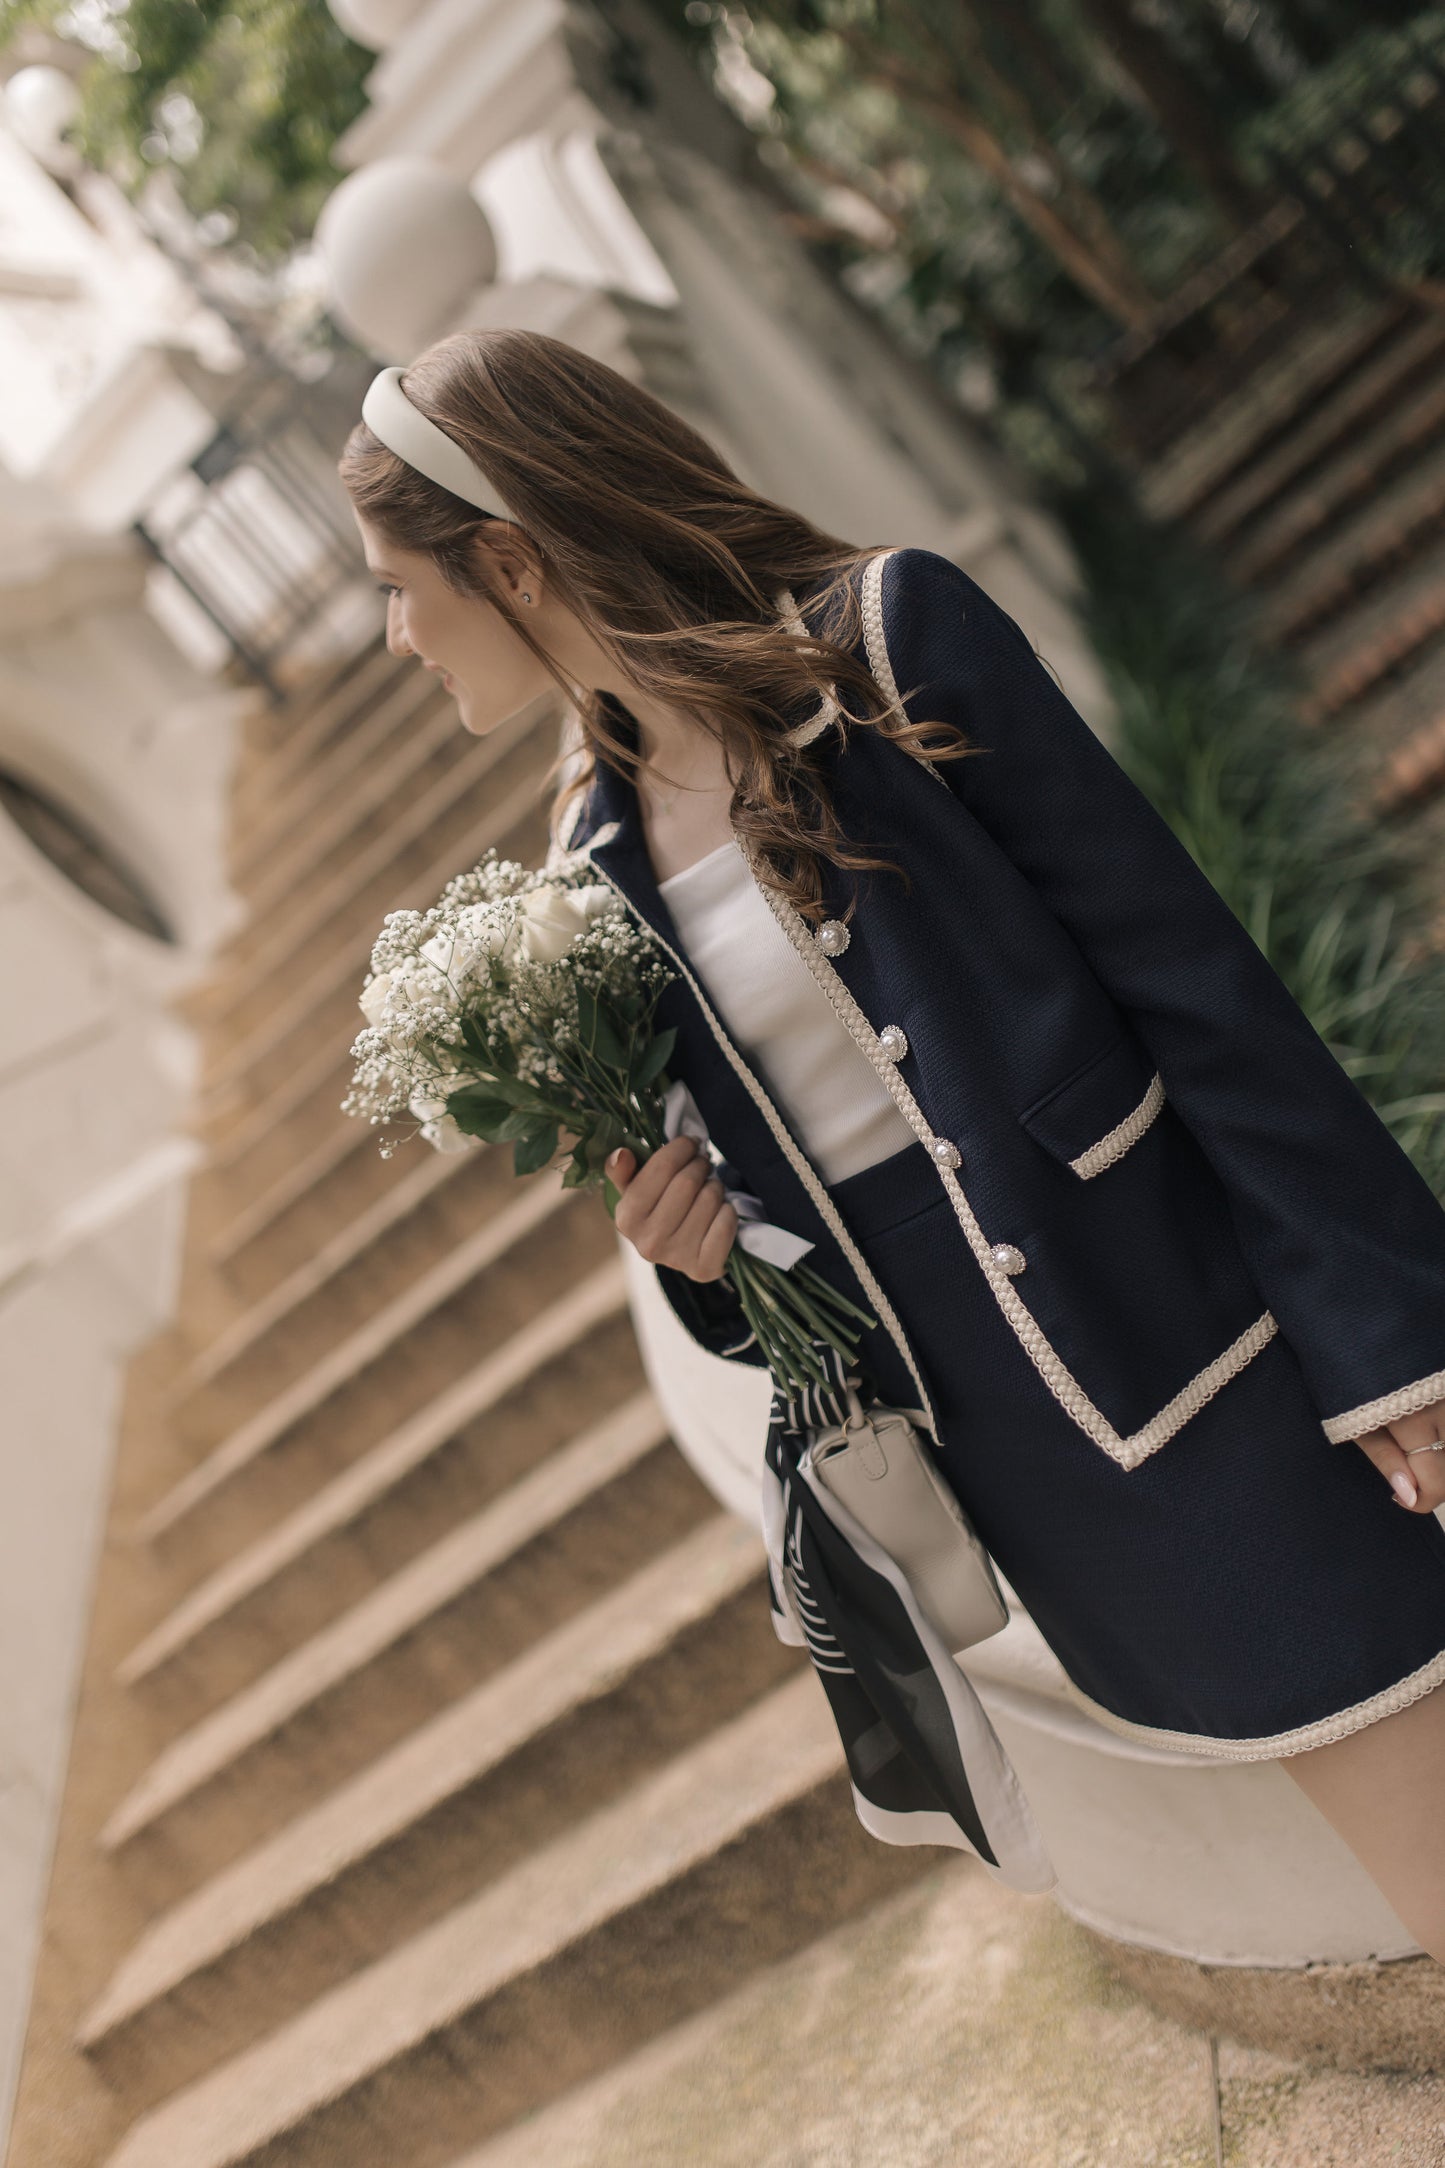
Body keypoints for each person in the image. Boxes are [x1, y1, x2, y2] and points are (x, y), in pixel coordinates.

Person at [339, 325, 1445, 1957]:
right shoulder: (586, 860)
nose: (388, 632)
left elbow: (1198, 993)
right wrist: (701, 1256)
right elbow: (788, 1218)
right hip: (1024, 1457)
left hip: (1205, 1341)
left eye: (395, 580)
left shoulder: (883, 636)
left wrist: (1391, 1344)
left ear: (504, 557)